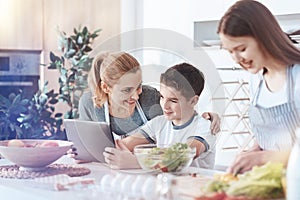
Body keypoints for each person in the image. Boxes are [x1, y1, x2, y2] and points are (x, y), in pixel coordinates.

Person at [217, 0, 300, 174]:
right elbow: (270, 137)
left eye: (241, 48)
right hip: (273, 181)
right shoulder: (256, 80)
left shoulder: (297, 77)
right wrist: (255, 151)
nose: (236, 58)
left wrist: (263, 158)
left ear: (264, 37)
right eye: (230, 51)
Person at [78, 51, 220, 139]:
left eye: (138, 86)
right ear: (106, 87)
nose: (136, 96)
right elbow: (86, 145)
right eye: (127, 90)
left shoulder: (150, 97)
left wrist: (206, 118)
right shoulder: (89, 103)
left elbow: (180, 116)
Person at [104, 63, 216, 169]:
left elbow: (181, 156)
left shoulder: (204, 126)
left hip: (196, 186)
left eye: (173, 100)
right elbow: (123, 145)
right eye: (162, 97)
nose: (165, 106)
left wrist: (138, 162)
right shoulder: (159, 122)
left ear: (193, 101)